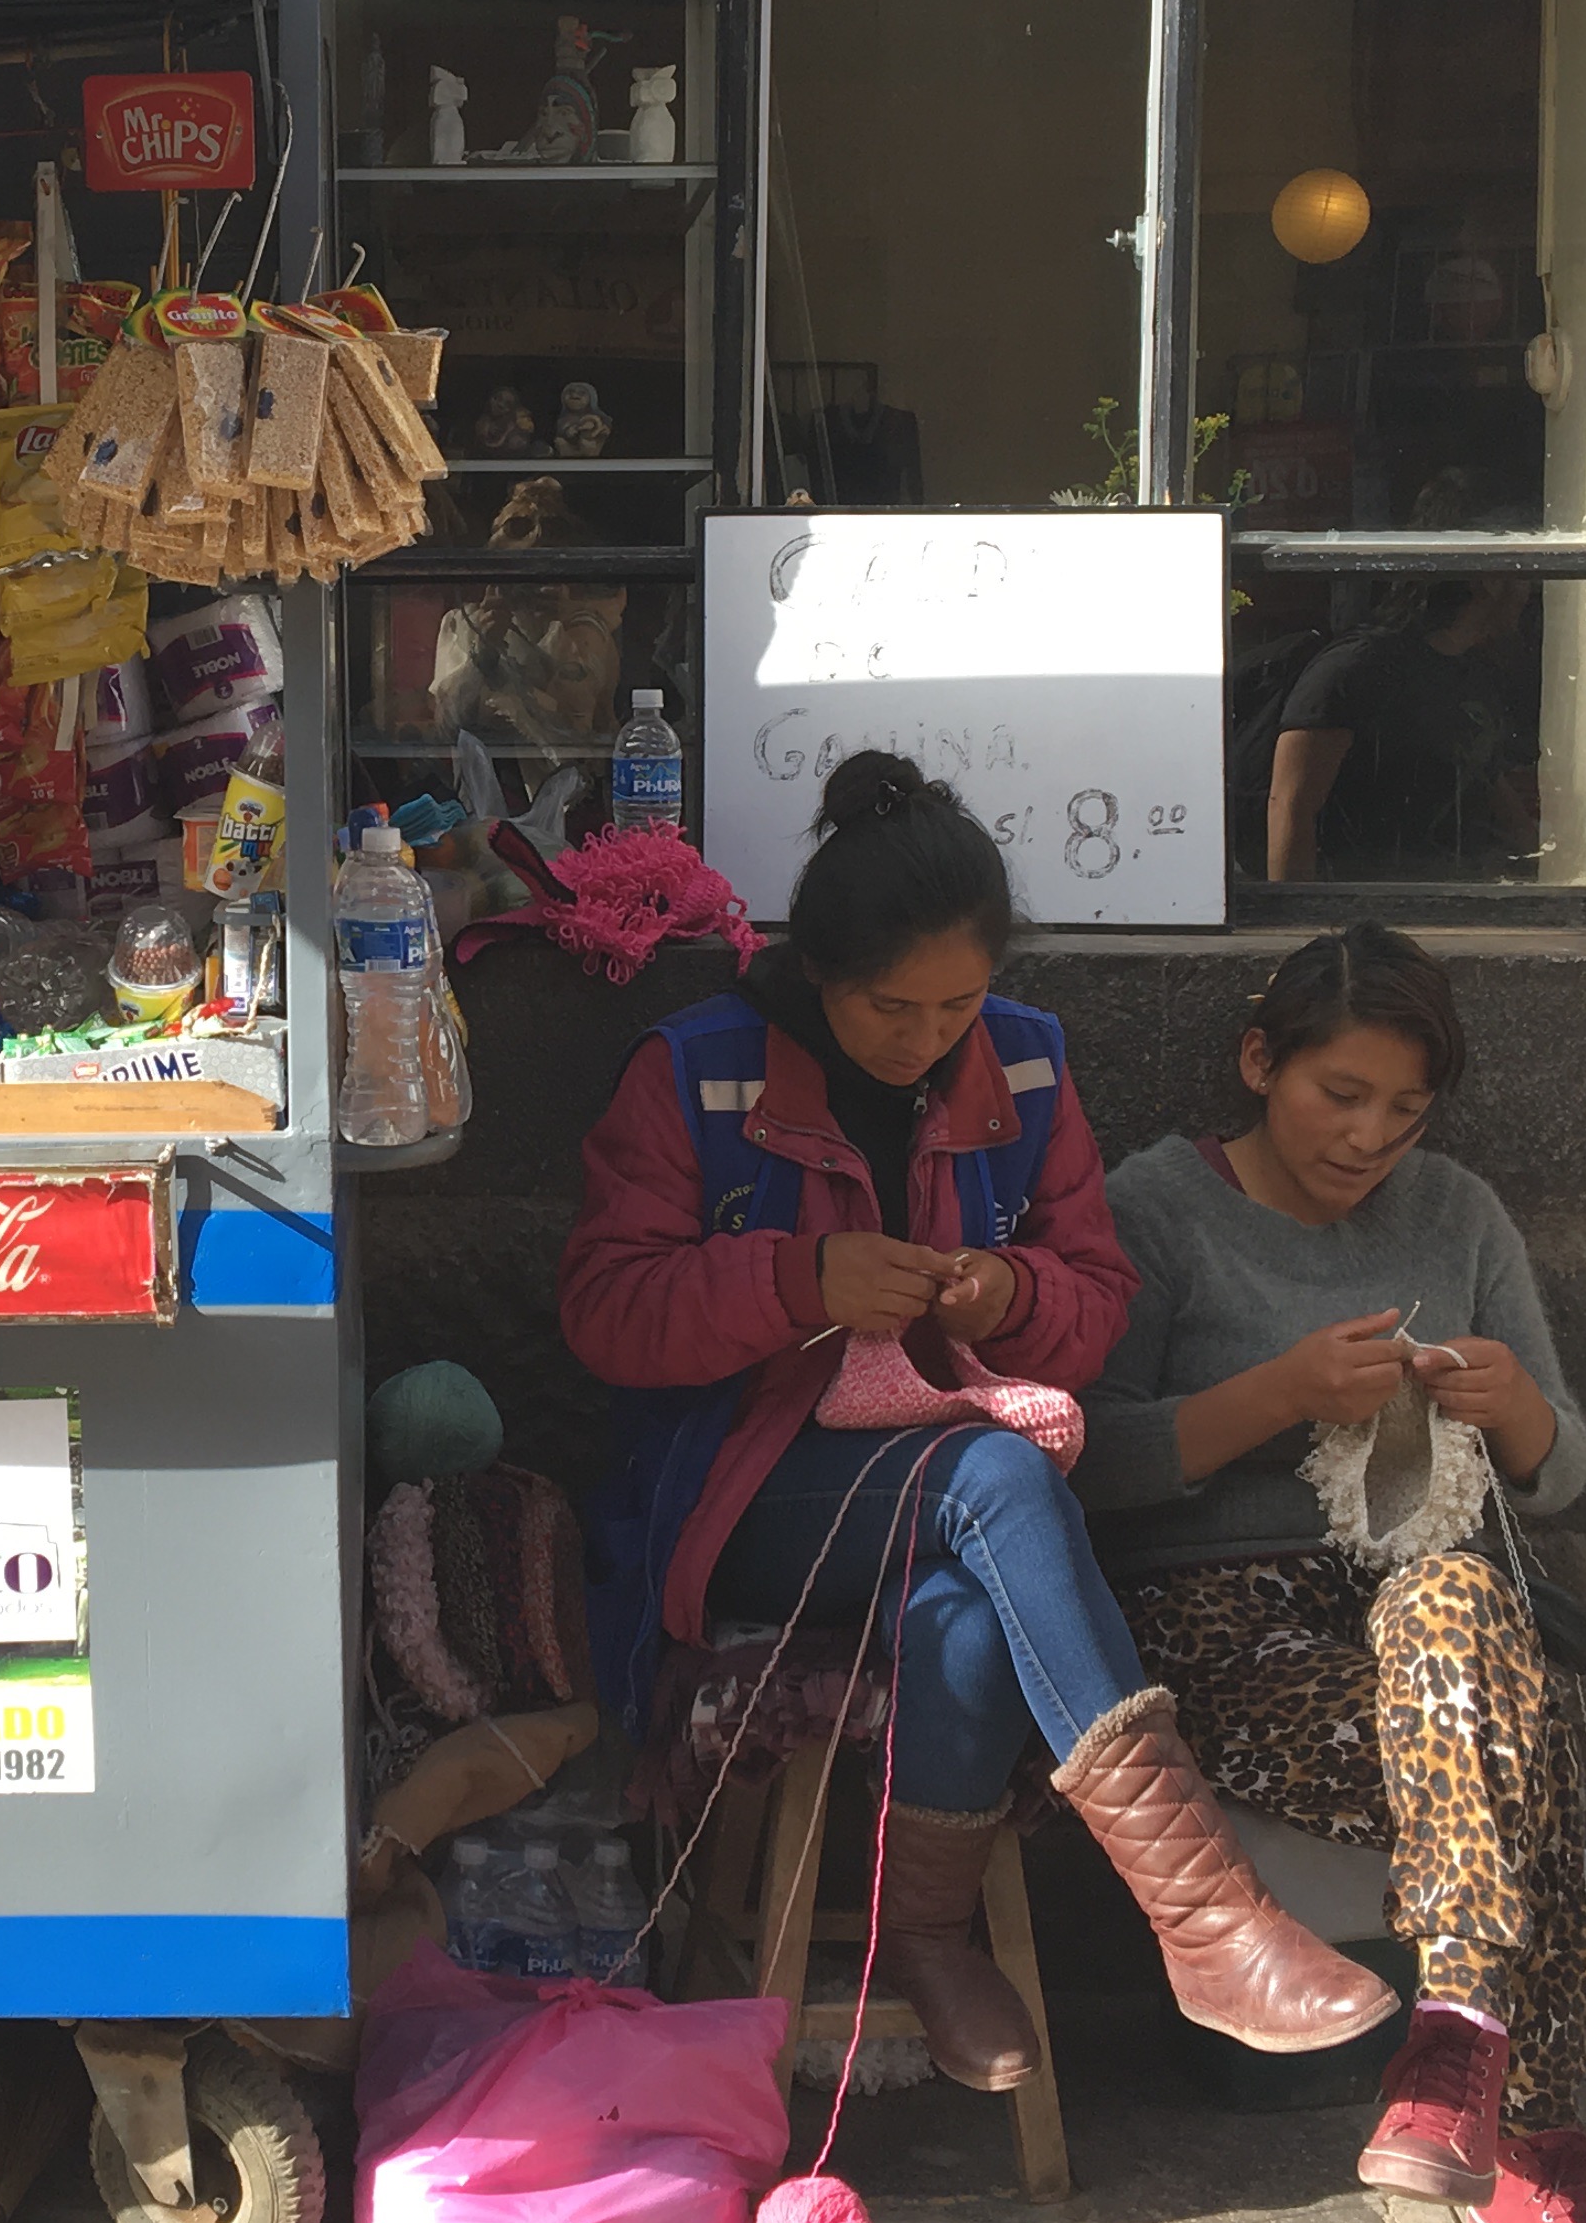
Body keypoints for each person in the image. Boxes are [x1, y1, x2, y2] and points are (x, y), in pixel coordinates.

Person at [563, 755, 1396, 2093]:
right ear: (817, 973)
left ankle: (926, 1937)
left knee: (969, 1593)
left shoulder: (1023, 1062)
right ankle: (1206, 1918)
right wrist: (798, 1283)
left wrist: (1013, 1296)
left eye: (957, 1005)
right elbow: (606, 1312)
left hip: (953, 1489)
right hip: (738, 1496)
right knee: (997, 1481)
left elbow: (1096, 1301)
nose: (924, 1039)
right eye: (890, 1007)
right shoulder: (699, 1071)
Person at [1075, 925, 1586, 2223]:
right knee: (1517, 1760)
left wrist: (1512, 1406)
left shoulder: (1458, 1215)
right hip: (1224, 1624)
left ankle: (1454, 2034)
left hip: (1423, 1615)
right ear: (1260, 1062)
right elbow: (1086, 1456)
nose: (1369, 1138)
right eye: (1340, 1094)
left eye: (1405, 1109)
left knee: (1462, 1603)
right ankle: (1536, 2147)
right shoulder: (1158, 1206)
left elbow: (1561, 1466)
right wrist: (1282, 1393)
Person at [1263, 573, 1540, 880]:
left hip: (1456, 891)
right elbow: (1291, 805)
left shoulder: (1474, 671)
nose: (1529, 590)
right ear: (1487, 582)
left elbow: (1484, 772)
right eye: (1521, 575)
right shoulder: (1358, 667)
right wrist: (1296, 906)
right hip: (1368, 895)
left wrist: (1539, 869)